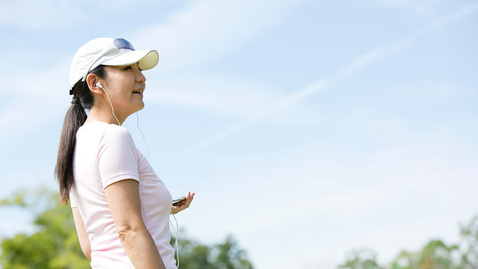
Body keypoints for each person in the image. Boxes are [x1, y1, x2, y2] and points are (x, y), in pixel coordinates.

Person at [55, 37, 194, 269]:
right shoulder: (113, 137)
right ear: (95, 83)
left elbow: (91, 245)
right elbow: (128, 231)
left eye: (139, 68)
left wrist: (159, 207)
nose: (141, 77)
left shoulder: (75, 146)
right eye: (127, 68)